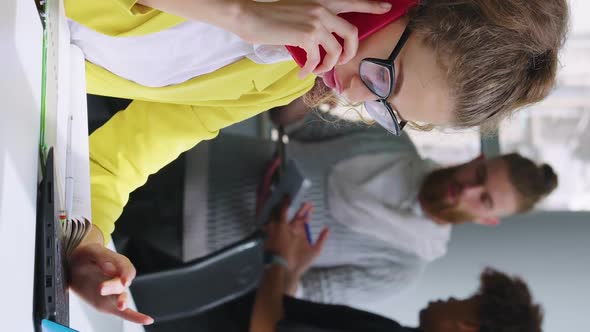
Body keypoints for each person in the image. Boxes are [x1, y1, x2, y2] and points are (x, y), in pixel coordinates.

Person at [66, 0, 568, 323]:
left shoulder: (286, 73)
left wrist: (88, 242)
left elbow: (114, 163)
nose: (349, 92)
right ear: (391, 7)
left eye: (385, 107)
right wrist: (237, 12)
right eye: (384, 79)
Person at [154, 198, 544, 332]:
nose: (448, 298)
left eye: (465, 299)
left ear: (468, 326)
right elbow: (288, 320)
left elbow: (266, 329)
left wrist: (275, 258)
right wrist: (294, 271)